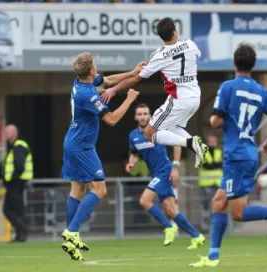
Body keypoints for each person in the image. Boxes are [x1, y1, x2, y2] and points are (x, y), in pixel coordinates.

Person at [189, 43, 267, 268]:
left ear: (235, 63)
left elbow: (215, 121)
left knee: (223, 205)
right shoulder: (262, 91)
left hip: (235, 155)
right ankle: (214, 256)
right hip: (250, 154)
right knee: (228, 208)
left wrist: (218, 121)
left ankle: (213, 257)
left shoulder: (227, 87)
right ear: (253, 65)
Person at [60, 52, 142, 261]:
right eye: (95, 65)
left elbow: (107, 80)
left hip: (75, 141)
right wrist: (130, 99)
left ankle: (71, 237)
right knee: (100, 189)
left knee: (77, 189)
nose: (98, 68)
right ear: (91, 70)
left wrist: (132, 72)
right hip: (82, 146)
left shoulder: (81, 83)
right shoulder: (87, 95)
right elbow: (112, 119)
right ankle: (71, 231)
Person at [101, 17, 208, 169]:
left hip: (179, 99)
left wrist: (114, 89)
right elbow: (198, 54)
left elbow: (136, 78)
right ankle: (197, 146)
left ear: (161, 37)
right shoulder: (190, 44)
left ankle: (190, 143)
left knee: (149, 133)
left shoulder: (159, 55)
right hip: (195, 98)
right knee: (170, 127)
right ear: (175, 32)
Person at [125, 103, 205, 248]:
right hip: (155, 174)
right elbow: (134, 153)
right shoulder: (133, 135)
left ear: (150, 116)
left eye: (145, 114)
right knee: (171, 210)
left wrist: (175, 166)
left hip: (165, 170)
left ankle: (168, 227)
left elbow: (176, 144)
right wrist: (131, 163)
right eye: (140, 114)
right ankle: (196, 236)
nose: (143, 117)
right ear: (136, 117)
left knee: (144, 201)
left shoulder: (157, 130)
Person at [2, 124, 33, 243]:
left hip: (16, 182)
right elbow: (7, 166)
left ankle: (23, 230)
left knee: (12, 209)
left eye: (7, 132)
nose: (5, 134)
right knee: (12, 209)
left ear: (14, 133)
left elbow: (19, 166)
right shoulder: (13, 147)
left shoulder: (19, 146)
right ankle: (20, 233)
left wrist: (13, 178)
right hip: (14, 183)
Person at [198, 135, 222, 232]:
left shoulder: (218, 152)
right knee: (206, 205)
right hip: (206, 183)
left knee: (217, 204)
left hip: (217, 182)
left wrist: (214, 165)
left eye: (214, 141)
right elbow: (207, 166)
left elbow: (221, 164)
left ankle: (216, 225)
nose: (213, 142)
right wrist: (216, 164)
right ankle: (205, 226)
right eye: (211, 141)